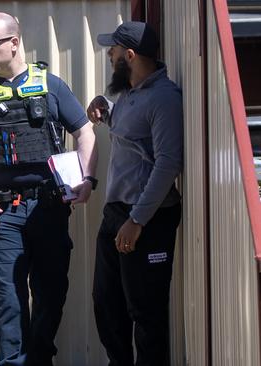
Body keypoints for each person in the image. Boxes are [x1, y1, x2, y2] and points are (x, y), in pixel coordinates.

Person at [0, 12, 98, 366]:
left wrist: (88, 178)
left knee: (51, 293)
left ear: (15, 43)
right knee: (9, 300)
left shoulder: (49, 84)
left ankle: (40, 358)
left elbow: (85, 132)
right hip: (2, 214)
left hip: (48, 209)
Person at [87, 21, 183, 366]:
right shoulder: (128, 94)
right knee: (106, 303)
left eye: (112, 53)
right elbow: (133, 138)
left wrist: (137, 220)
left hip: (147, 218)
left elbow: (168, 163)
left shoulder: (164, 98)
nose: (109, 58)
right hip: (116, 214)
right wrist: (105, 110)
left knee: (145, 312)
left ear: (129, 55)